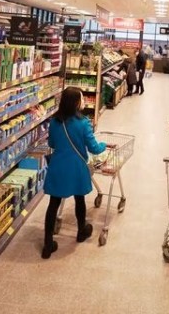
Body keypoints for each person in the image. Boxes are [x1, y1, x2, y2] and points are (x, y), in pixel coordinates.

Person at [41, 87, 107, 259]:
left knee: (53, 204)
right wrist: (104, 145)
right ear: (77, 102)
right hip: (77, 167)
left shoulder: (54, 122)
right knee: (79, 200)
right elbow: (93, 147)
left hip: (58, 167)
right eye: (82, 99)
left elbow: (53, 144)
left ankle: (48, 244)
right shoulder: (83, 122)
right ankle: (81, 231)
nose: (84, 101)